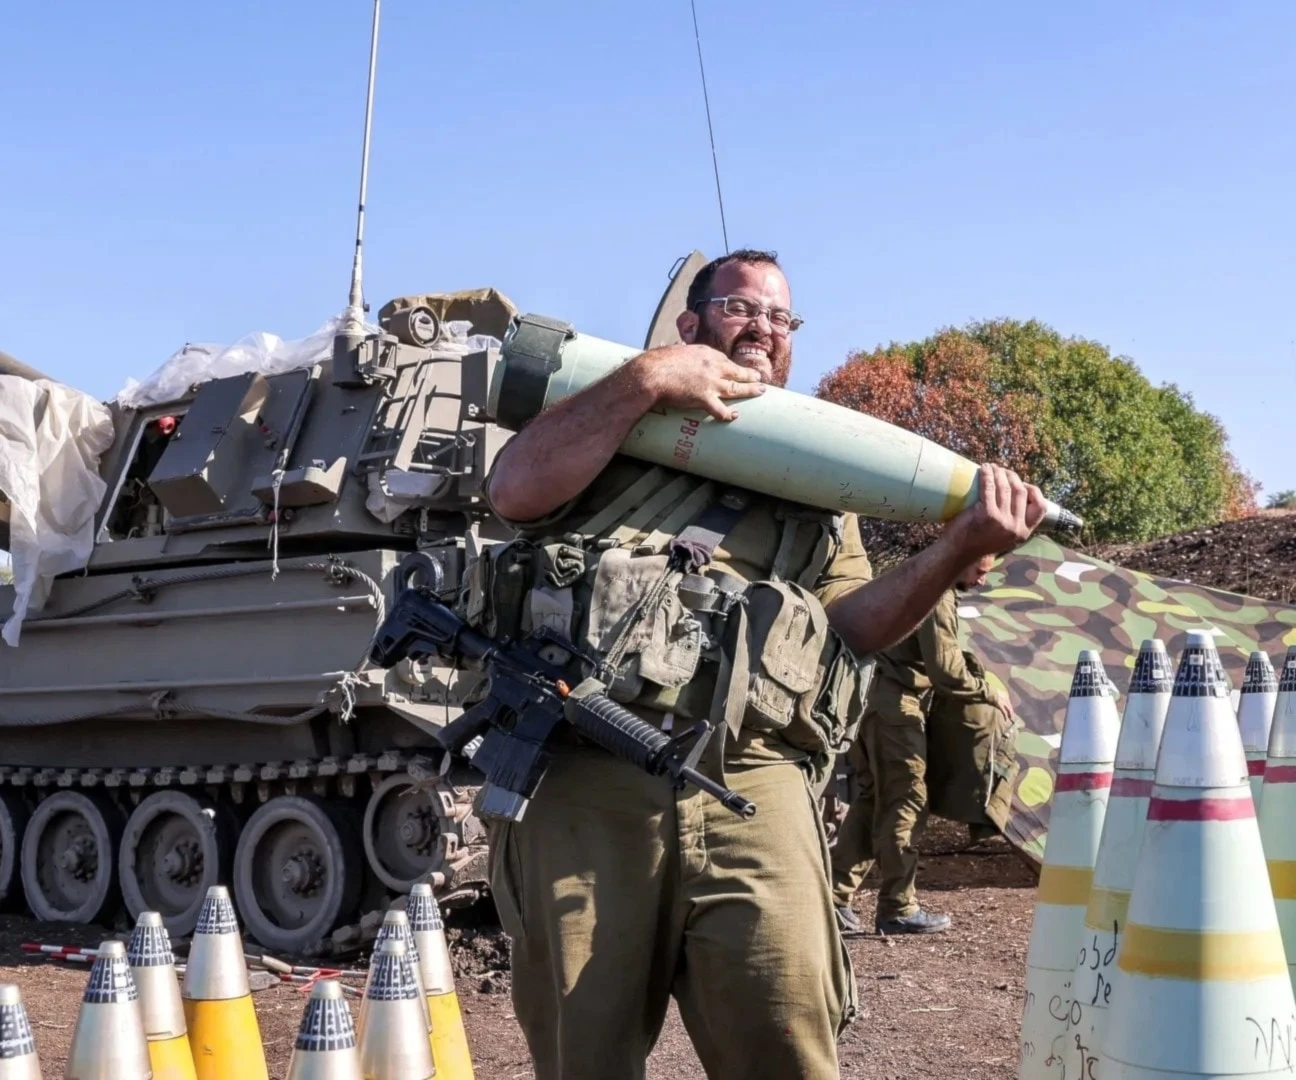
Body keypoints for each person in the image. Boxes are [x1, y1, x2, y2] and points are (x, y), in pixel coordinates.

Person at [475, 248, 1048, 1078]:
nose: (763, 330)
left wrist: (955, 549)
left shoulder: (824, 472)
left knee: (788, 1038)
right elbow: (513, 490)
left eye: (781, 318)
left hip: (750, 778)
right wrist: (645, 381)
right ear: (692, 321)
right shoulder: (620, 414)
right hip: (584, 773)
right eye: (742, 308)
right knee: (582, 1053)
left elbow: (853, 627)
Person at [830, 547, 1018, 937]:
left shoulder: (918, 575)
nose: (983, 580)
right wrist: (988, 692)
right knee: (907, 800)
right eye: (980, 570)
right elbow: (946, 671)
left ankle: (831, 899)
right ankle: (898, 907)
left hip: (868, 697)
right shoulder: (938, 591)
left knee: (871, 798)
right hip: (895, 705)